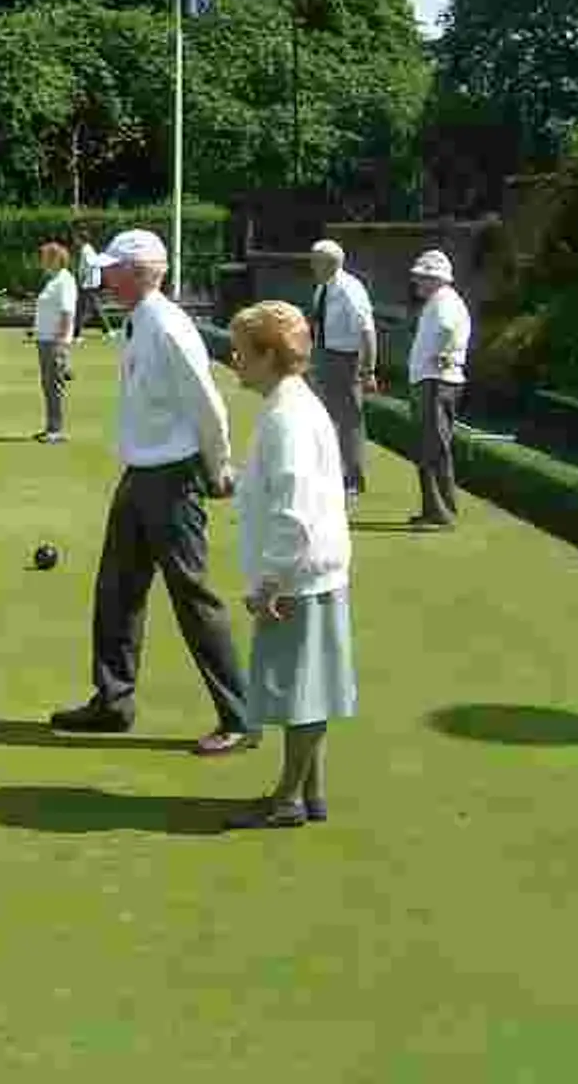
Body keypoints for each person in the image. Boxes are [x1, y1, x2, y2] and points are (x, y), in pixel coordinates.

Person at [51, 228, 251, 756]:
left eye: (115, 269)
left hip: (173, 477)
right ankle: (113, 700)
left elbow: (208, 403)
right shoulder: (140, 322)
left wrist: (219, 466)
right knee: (116, 590)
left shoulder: (167, 326)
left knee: (193, 596)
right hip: (141, 473)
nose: (107, 277)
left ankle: (241, 716)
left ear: (140, 273)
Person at [223, 300, 355, 830]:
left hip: (298, 576)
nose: (235, 361)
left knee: (300, 691)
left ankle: (287, 798)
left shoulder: (286, 416)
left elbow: (294, 510)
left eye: (242, 352)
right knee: (309, 685)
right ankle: (312, 790)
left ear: (269, 356)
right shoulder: (292, 404)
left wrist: (271, 580)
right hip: (310, 570)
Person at [307, 239, 377, 500]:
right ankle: (331, 473)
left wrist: (369, 370)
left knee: (349, 422)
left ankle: (353, 480)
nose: (312, 265)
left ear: (330, 263)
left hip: (346, 360)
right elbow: (317, 324)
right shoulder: (323, 288)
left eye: (315, 260)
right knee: (325, 419)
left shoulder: (350, 290)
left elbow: (367, 331)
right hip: (325, 356)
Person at [407, 249, 472, 530]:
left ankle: (442, 514)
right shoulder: (440, 300)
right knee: (429, 446)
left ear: (435, 278)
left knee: (433, 447)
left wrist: (442, 353)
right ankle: (433, 510)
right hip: (433, 380)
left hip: (436, 381)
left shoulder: (444, 301)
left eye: (422, 277)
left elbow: (446, 328)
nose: (417, 282)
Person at [32, 240, 77, 443]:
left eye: (44, 258)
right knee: (48, 385)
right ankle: (51, 427)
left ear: (55, 259)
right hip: (45, 339)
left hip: (54, 341)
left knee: (54, 385)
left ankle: (56, 430)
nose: (41, 262)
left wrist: (62, 342)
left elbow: (67, 313)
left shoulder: (64, 281)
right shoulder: (54, 280)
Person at [75, 228, 115, 336]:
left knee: (81, 308)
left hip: (87, 283)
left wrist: (83, 279)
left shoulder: (86, 250)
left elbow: (89, 266)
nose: (75, 241)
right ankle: (108, 330)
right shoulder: (88, 249)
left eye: (77, 239)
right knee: (94, 307)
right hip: (90, 283)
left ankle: (76, 334)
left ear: (81, 239)